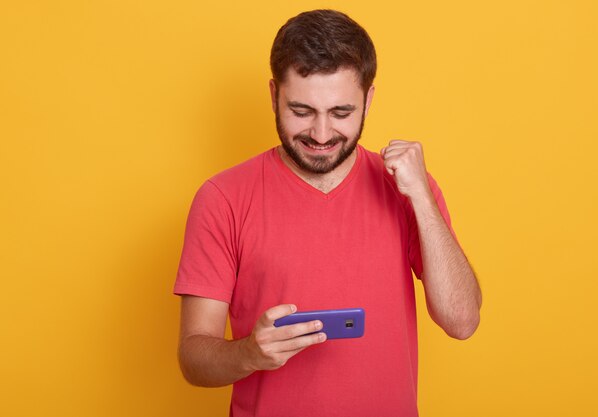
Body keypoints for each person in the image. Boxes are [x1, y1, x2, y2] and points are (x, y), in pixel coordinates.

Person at [174, 9, 481, 417]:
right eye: (301, 111)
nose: (321, 135)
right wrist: (248, 352)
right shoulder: (222, 198)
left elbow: (462, 321)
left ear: (369, 100)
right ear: (273, 95)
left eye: (341, 113)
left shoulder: (408, 188)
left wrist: (422, 198)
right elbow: (194, 358)